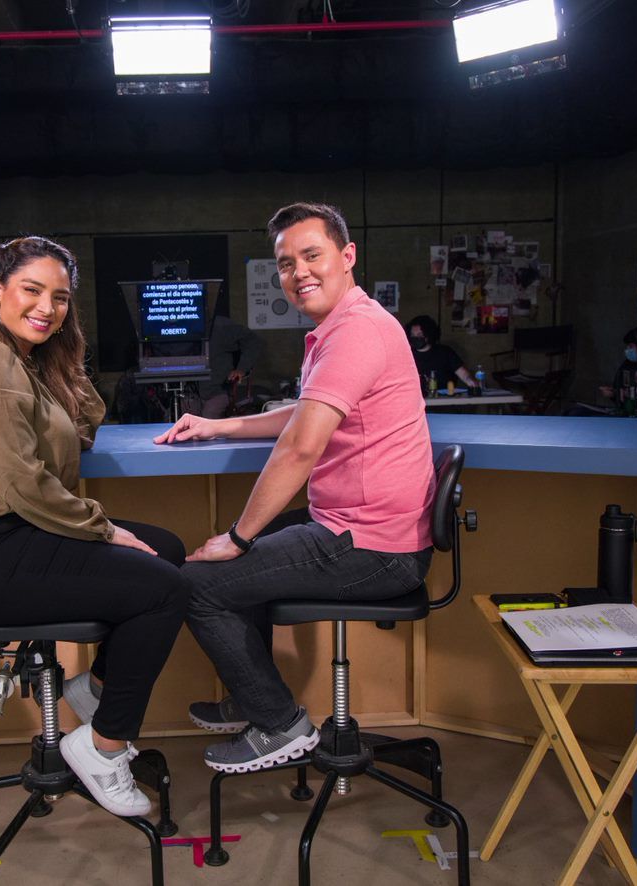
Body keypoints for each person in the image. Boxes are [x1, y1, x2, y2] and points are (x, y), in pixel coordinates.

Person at [153, 203, 436, 773]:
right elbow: (303, 415)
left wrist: (238, 535)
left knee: (198, 583)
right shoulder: (342, 327)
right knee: (239, 562)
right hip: (360, 528)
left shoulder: (355, 332)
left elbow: (301, 447)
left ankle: (278, 722)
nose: (298, 272)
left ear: (347, 256)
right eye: (286, 263)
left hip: (373, 546)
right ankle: (254, 702)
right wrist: (220, 424)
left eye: (312, 255)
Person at [0, 236, 189, 816]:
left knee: (167, 549)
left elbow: (85, 424)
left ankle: (91, 692)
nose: (48, 307)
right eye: (32, 291)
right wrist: (104, 529)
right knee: (165, 589)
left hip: (19, 535)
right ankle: (100, 746)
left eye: (61, 298)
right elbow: (20, 480)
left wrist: (58, 352)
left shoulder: (20, 358)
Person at [197, 312, 264, 419]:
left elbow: (253, 341)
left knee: (208, 419)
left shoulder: (220, 326)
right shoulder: (177, 330)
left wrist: (241, 369)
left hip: (217, 392)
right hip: (188, 394)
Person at [404, 314, 476, 391]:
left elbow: (463, 374)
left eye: (420, 335)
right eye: (413, 335)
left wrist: (473, 384)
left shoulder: (444, 352)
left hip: (443, 399)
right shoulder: (406, 355)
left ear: (428, 335)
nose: (416, 338)